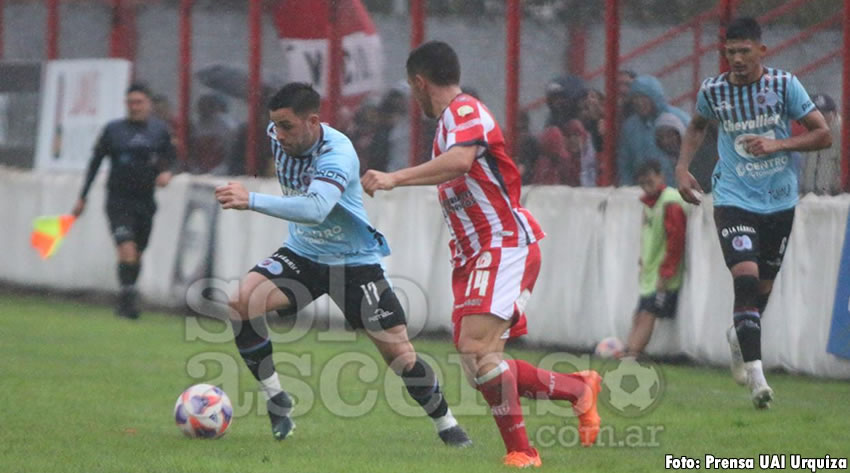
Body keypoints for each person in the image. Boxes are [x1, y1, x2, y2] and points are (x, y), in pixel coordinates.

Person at [361, 41, 601, 468]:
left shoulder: (465, 111)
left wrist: (394, 178)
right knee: (480, 366)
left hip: (503, 244)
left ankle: (523, 453)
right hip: (476, 255)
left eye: (413, 88)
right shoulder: (447, 126)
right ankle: (577, 389)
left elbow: (459, 162)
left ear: (420, 82)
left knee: (476, 350)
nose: (414, 97)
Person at [213, 82, 471, 446]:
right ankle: (276, 400)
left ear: (313, 121)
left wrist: (251, 198)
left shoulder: (338, 152)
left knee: (398, 353)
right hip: (302, 253)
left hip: (353, 263)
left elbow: (316, 208)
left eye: (287, 126)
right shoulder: (277, 135)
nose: (278, 134)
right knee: (242, 303)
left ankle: (448, 425)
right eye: (275, 125)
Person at [676, 17, 831, 408]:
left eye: (745, 51)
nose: (738, 59)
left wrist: (777, 145)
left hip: (779, 200)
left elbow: (822, 133)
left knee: (762, 289)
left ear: (762, 50)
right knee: (744, 279)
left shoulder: (784, 86)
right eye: (731, 53)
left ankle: (737, 336)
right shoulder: (713, 90)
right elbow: (696, 126)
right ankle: (758, 378)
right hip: (732, 196)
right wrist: (682, 168)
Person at [71, 83, 176, 319]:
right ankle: (128, 302)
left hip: (146, 200)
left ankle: (126, 297)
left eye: (139, 102)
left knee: (137, 252)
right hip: (118, 200)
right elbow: (95, 163)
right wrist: (83, 197)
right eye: (130, 102)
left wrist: (168, 172)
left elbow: (173, 158)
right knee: (126, 248)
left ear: (149, 104)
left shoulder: (159, 131)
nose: (134, 107)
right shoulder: (113, 130)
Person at [625, 160, 687, 358]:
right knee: (641, 311)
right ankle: (629, 348)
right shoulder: (648, 203)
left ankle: (634, 351)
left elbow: (675, 240)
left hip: (663, 274)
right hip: (651, 272)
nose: (646, 186)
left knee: (648, 312)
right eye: (642, 182)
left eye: (650, 180)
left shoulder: (670, 202)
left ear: (661, 177)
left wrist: (667, 272)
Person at [618, 75, 690, 186]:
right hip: (644, 192)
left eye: (643, 97)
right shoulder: (630, 127)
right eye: (635, 98)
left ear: (655, 97)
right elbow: (625, 162)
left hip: (677, 191)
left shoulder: (679, 119)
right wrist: (627, 187)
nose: (639, 102)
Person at [799, 93, 842, 195]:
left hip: (832, 196)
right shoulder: (807, 128)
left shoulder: (842, 133)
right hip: (807, 193)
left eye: (823, 114)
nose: (819, 117)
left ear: (834, 113)